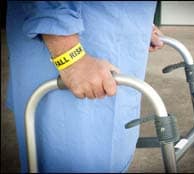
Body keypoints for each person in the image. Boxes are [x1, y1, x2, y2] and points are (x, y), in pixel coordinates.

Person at [6, 1, 164, 173]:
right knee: (70, 156)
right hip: (72, 50)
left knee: (110, 156)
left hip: (113, 39)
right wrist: (69, 55)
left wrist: (137, 23)